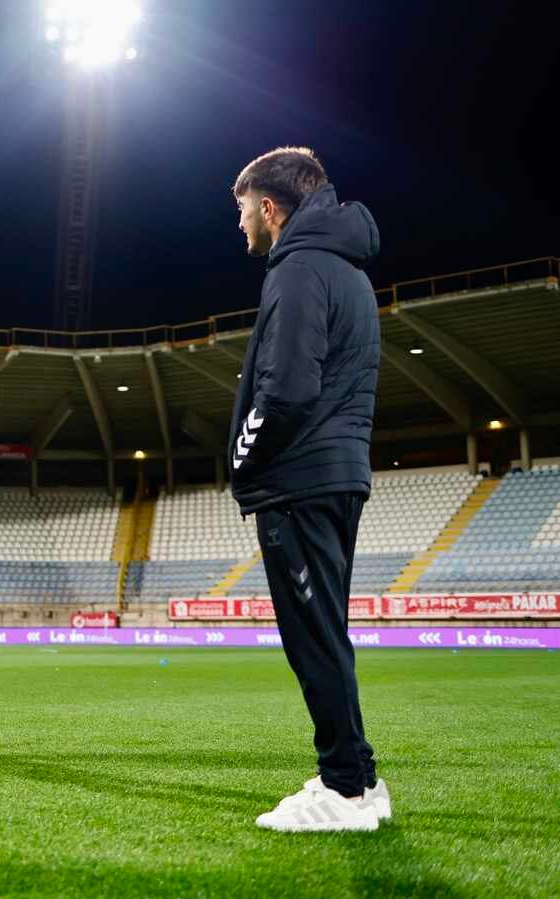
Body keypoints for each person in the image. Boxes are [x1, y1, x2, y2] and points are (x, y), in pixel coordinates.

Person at [228, 146, 389, 832]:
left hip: (300, 479)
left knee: (313, 638)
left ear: (270, 207)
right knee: (326, 633)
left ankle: (344, 788)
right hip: (335, 472)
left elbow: (287, 388)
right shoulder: (345, 269)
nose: (239, 226)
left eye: (241, 211)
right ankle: (359, 777)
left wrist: (243, 456)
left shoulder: (297, 268)